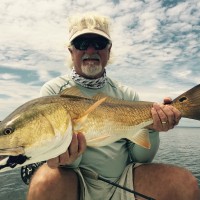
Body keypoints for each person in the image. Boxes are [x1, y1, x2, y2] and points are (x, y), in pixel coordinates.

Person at [26, 13, 200, 200]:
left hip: (125, 181)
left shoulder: (127, 94)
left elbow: (141, 159)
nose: (91, 50)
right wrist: (69, 157)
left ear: (109, 50)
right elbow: (61, 161)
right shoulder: (54, 91)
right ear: (71, 51)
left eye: (99, 44)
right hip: (75, 182)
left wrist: (152, 128)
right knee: (44, 180)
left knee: (184, 183)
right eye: (82, 44)